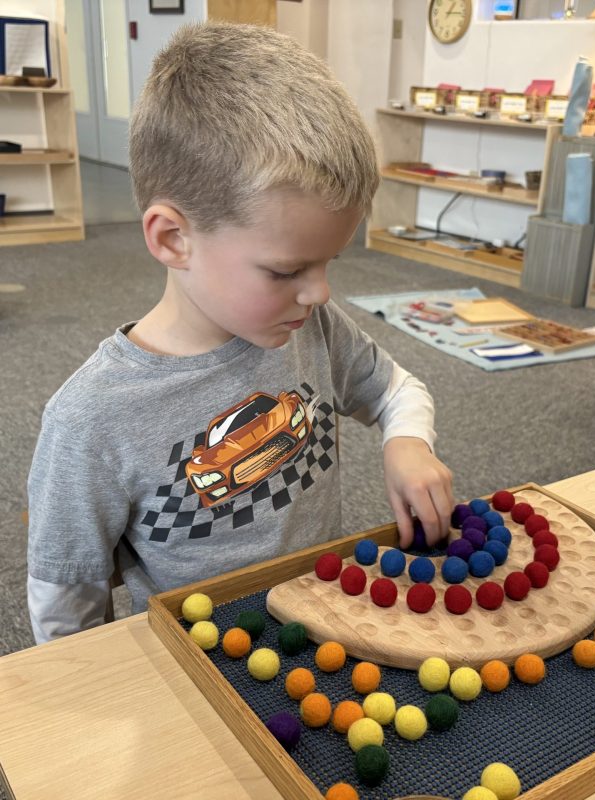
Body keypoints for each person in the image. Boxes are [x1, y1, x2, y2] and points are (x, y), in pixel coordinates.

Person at [27, 22, 453, 644]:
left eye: (329, 262)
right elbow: (66, 601)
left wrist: (408, 443)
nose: (319, 293)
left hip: (326, 625)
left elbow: (395, 390)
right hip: (198, 665)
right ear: (173, 239)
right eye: (286, 271)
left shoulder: (311, 327)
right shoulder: (89, 419)